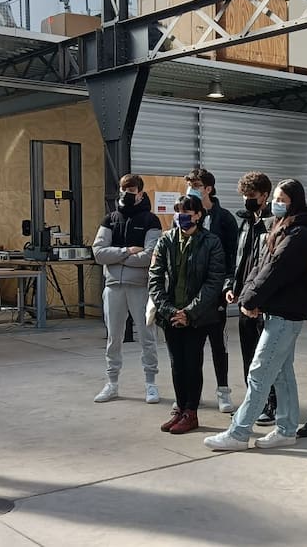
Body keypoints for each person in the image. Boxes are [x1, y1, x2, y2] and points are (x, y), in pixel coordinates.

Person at [204, 179, 307, 451]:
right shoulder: (282, 229)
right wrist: (247, 298)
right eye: (276, 198)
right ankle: (286, 428)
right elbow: (260, 265)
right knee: (281, 371)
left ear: (295, 201)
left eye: (282, 198)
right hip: (278, 311)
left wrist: (251, 299)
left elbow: (274, 271)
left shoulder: (299, 234)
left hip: (285, 314)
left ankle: (240, 432)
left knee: (259, 371)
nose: (276, 203)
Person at [148, 196, 227, 435]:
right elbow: (155, 278)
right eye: (179, 211)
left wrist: (189, 312)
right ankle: (180, 408)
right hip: (170, 315)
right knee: (176, 364)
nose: (182, 216)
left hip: (197, 317)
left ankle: (191, 412)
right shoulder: (166, 240)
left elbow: (213, 283)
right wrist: (169, 310)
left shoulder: (211, 242)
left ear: (199, 215)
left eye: (188, 212)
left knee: (193, 363)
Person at [92, 174, 163, 405]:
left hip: (140, 287)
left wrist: (117, 257)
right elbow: (98, 253)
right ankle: (111, 383)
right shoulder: (110, 219)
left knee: (147, 336)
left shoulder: (151, 220)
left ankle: (151, 383)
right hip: (113, 287)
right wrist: (125, 252)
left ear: (140, 193)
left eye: (131, 190)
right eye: (124, 189)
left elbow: (150, 256)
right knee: (114, 337)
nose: (126, 193)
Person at [226, 171, 279, 426]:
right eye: (245, 195)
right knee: (249, 355)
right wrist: (232, 286)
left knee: (265, 357)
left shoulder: (273, 222)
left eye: (252, 195)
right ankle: (253, 401)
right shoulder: (246, 222)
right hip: (244, 297)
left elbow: (269, 265)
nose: (247, 199)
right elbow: (240, 258)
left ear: (265, 195)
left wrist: (260, 299)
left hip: (262, 301)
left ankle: (271, 404)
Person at [185, 168, 239, 413]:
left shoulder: (224, 218)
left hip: (216, 292)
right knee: (189, 347)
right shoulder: (185, 213)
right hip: (189, 293)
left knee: (219, 343)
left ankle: (223, 390)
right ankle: (187, 394)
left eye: (196, 185)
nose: (191, 188)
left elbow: (232, 256)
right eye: (189, 184)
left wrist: (228, 285)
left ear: (208, 188)